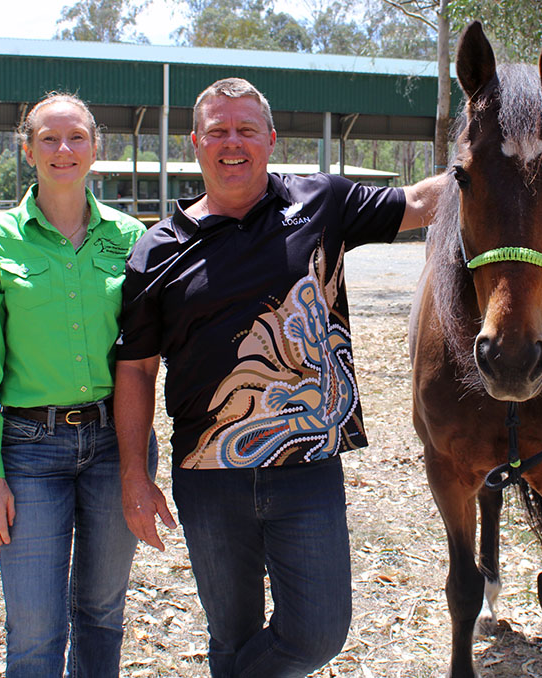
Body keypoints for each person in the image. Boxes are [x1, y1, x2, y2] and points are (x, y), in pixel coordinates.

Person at [114, 77, 443, 678]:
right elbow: (135, 370)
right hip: (208, 478)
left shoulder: (322, 202)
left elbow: (421, 204)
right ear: (195, 143)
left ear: (270, 138)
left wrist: (495, 148)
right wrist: (135, 475)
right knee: (232, 633)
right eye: (217, 130)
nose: (231, 142)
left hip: (307, 467)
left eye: (245, 129)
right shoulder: (156, 250)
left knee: (317, 633)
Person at [0, 91, 156, 677]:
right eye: (48, 138)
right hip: (28, 451)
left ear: (96, 149)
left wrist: (142, 458)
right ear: (27, 150)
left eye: (76, 138)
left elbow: (146, 357)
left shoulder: (130, 238)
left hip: (112, 444)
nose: (63, 150)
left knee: (101, 612)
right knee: (37, 628)